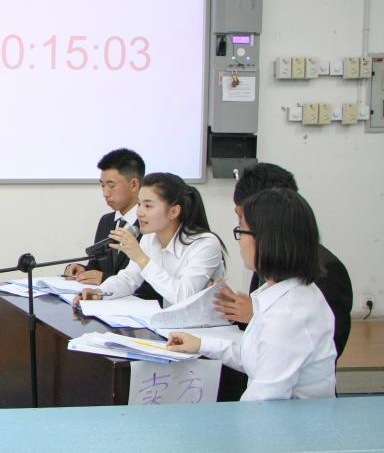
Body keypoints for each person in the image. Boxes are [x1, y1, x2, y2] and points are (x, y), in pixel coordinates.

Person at [167, 188, 337, 401]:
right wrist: (201, 344)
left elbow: (263, 399)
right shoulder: (285, 293)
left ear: (266, 240)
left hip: (286, 421)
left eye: (241, 230)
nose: (239, 240)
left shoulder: (288, 314)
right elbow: (256, 355)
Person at [213, 163, 353, 357]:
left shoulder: (328, 270)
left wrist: (257, 315)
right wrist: (233, 309)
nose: (240, 234)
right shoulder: (268, 258)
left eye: (243, 223)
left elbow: (328, 347)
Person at [75, 173, 224, 307]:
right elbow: (128, 279)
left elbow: (184, 297)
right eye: (139, 204)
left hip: (204, 327)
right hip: (169, 323)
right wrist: (99, 293)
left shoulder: (206, 244)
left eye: (148, 206)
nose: (139, 213)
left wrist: (141, 258)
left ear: (173, 211)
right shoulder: (150, 238)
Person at [64, 149, 150, 295]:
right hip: (102, 304)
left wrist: (105, 279)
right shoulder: (106, 221)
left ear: (134, 185)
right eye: (102, 185)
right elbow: (96, 264)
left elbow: (154, 283)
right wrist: (82, 270)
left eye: (111, 185)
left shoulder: (150, 224)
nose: (105, 193)